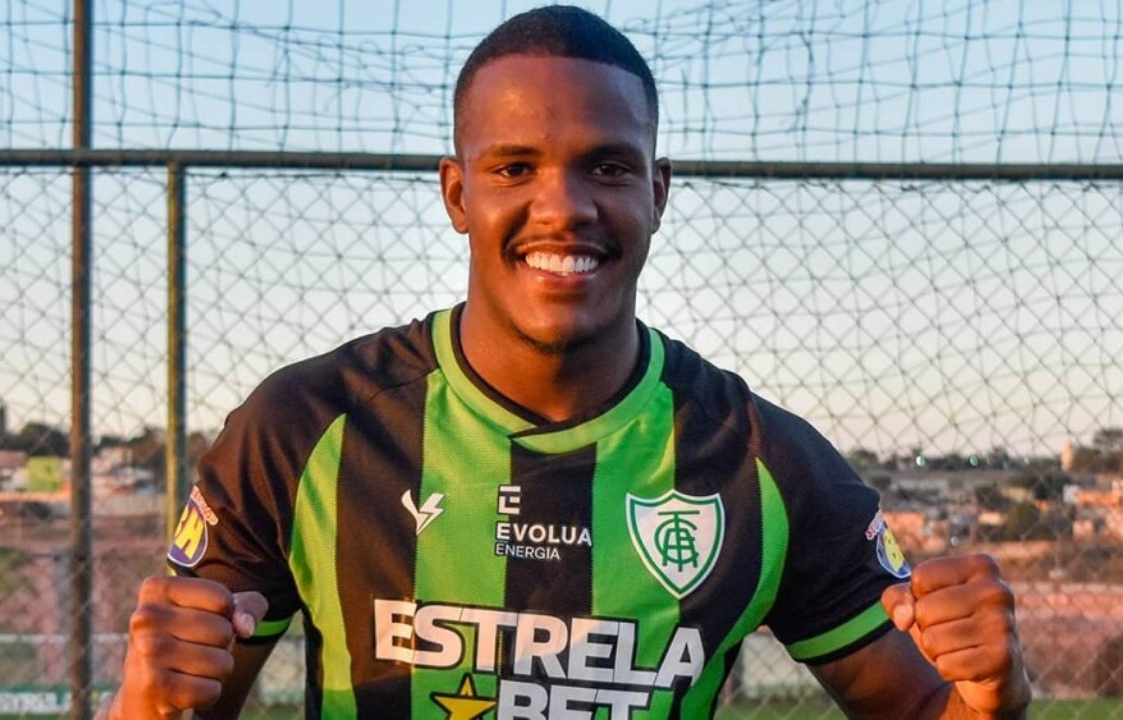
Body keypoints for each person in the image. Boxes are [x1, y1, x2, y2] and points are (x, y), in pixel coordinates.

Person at [103, 6, 1031, 719]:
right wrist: (142, 700)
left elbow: (925, 707)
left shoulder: (761, 463)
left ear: (658, 193)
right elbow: (182, 704)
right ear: (457, 194)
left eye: (609, 167)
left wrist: (996, 696)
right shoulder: (304, 430)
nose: (565, 207)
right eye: (514, 169)